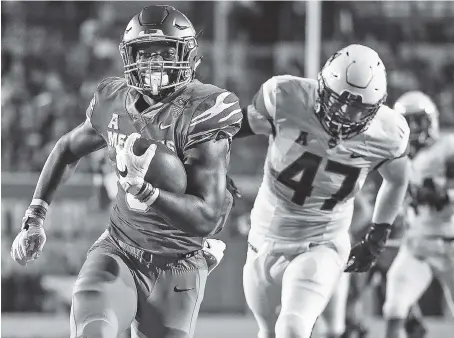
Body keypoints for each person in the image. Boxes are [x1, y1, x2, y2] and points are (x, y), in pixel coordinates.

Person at [10, 5, 242, 338]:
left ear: (188, 57)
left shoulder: (203, 110)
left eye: (165, 53)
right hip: (119, 248)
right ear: (128, 56)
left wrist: (147, 192)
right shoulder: (112, 99)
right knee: (93, 332)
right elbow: (65, 149)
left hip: (178, 262)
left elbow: (205, 216)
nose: (153, 64)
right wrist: (35, 217)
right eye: (144, 54)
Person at [235, 44, 411, 338]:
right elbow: (230, 128)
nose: (345, 113)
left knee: (292, 327)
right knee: (266, 330)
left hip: (322, 242)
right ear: (321, 86)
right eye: (339, 100)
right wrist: (214, 165)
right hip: (263, 238)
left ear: (376, 107)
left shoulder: (388, 133)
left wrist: (378, 233)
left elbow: (396, 179)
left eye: (358, 107)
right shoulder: (286, 97)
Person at [383, 91, 454, 338]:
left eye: (418, 120)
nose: (413, 127)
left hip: (450, 244)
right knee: (394, 304)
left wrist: (445, 196)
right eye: (407, 121)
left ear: (431, 120)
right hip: (417, 247)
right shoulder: (395, 156)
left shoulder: (447, 146)